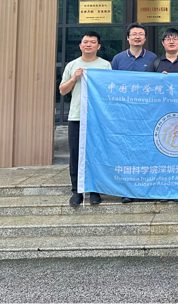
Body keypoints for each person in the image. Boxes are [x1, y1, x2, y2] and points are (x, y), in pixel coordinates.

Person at [59, 31, 112, 207]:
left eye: (93, 42)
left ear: (98, 46)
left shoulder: (105, 65)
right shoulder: (72, 65)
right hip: (77, 116)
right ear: (80, 45)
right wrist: (74, 78)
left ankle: (95, 190)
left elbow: (109, 90)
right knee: (76, 153)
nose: (89, 44)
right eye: (86, 42)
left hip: (97, 117)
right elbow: (63, 90)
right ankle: (77, 190)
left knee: (96, 153)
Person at [111, 24, 157, 203]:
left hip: (147, 114)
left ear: (145, 38)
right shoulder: (118, 59)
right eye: (134, 34)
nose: (137, 37)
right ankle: (127, 190)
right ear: (128, 38)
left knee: (146, 150)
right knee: (127, 151)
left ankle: (146, 189)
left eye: (141, 34)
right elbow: (111, 84)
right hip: (125, 114)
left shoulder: (153, 58)